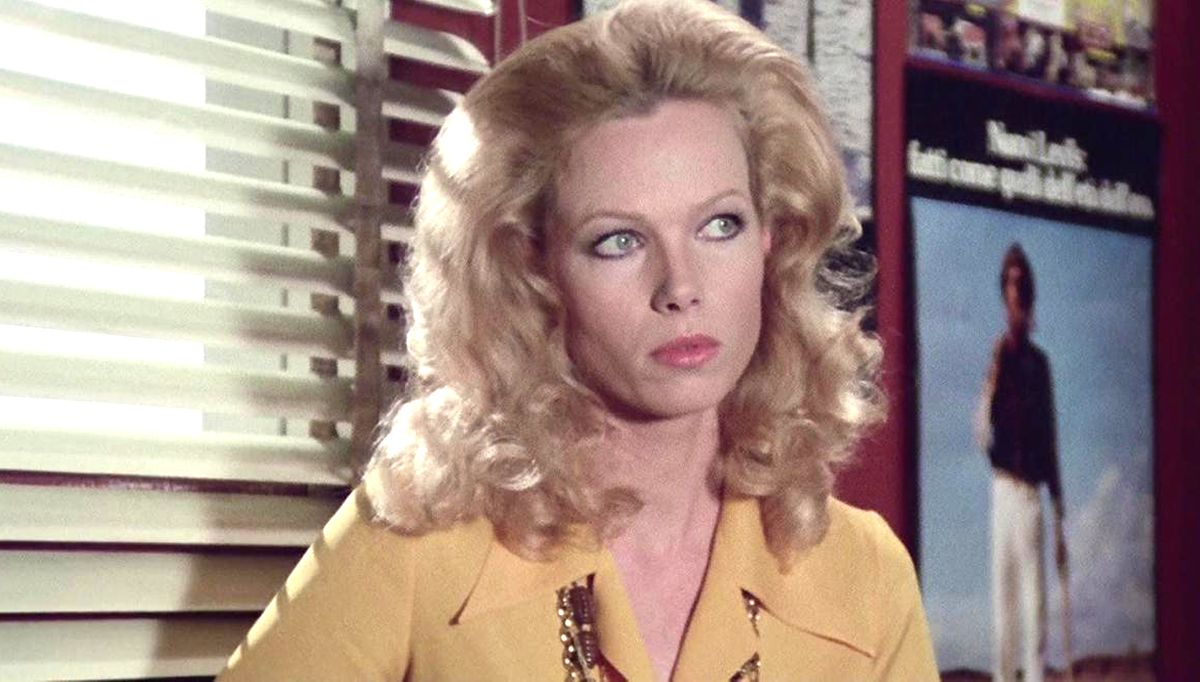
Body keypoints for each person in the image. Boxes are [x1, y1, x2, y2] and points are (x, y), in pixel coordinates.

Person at [219, 0, 938, 679]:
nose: (680, 286)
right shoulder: (416, 538)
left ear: (769, 241)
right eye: (618, 240)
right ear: (532, 270)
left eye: (719, 226)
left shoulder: (866, 575)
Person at [977, 243, 1066, 682]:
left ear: (1027, 296)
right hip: (1001, 489)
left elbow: (1049, 439)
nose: (1014, 295)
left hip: (1030, 494)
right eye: (1008, 285)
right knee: (1003, 603)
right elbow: (982, 434)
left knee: (1034, 604)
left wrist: (1060, 514)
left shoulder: (1039, 364)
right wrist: (992, 375)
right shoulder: (1000, 358)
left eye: (1020, 285)